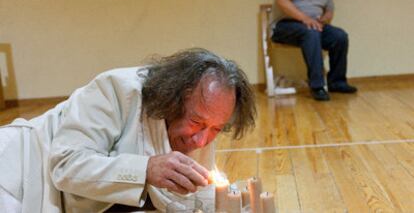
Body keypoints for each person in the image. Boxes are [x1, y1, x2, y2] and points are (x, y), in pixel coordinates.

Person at [0, 48, 256, 212]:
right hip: (16, 170)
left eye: (216, 129)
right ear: (174, 99)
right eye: (197, 123)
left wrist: (238, 201)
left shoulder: (202, 123)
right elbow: (65, 166)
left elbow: (188, 199)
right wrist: (146, 169)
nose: (202, 140)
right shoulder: (115, 90)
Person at [270, 0, 357, 101]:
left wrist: (325, 18)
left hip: (314, 26)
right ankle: (317, 86)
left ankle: (337, 82)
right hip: (287, 25)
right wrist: (305, 19)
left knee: (340, 36)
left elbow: (329, 9)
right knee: (311, 32)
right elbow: (281, 0)